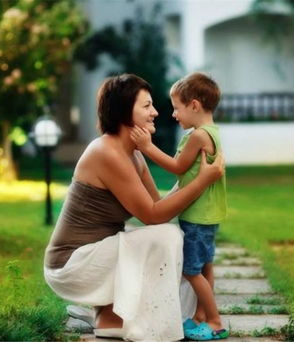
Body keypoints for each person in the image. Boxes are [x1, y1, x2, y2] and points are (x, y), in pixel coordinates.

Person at [43, 74, 224, 341]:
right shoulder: (107, 152)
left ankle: (110, 316)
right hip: (72, 264)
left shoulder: (134, 153)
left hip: (100, 252)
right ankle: (135, 321)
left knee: (182, 245)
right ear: (123, 112)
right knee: (167, 237)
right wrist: (202, 181)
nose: (156, 112)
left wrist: (196, 178)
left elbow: (159, 207)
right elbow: (152, 217)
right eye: (147, 106)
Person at [130, 72, 228, 340]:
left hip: (197, 216)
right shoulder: (213, 132)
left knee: (192, 271)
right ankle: (200, 316)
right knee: (206, 267)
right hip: (207, 213)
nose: (173, 115)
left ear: (194, 105)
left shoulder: (198, 136)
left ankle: (215, 322)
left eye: (177, 108)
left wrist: (147, 147)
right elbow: (190, 175)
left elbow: (177, 167)